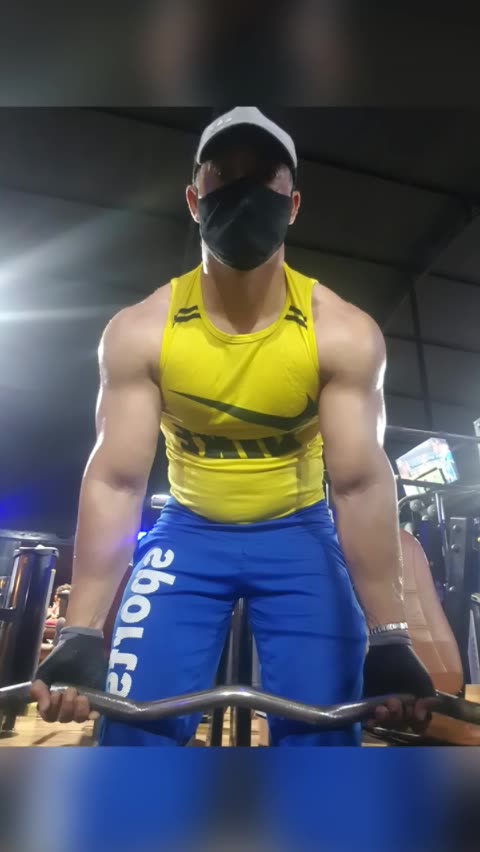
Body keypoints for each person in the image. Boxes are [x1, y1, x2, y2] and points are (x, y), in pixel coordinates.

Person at [31, 107, 435, 746]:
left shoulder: (343, 333)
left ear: (292, 204)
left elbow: (359, 484)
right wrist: (80, 630)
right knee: (134, 731)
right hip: (188, 531)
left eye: (264, 178)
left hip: (300, 532)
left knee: (323, 738)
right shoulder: (141, 332)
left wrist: (390, 634)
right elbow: (115, 480)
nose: (244, 193)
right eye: (224, 176)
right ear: (194, 200)